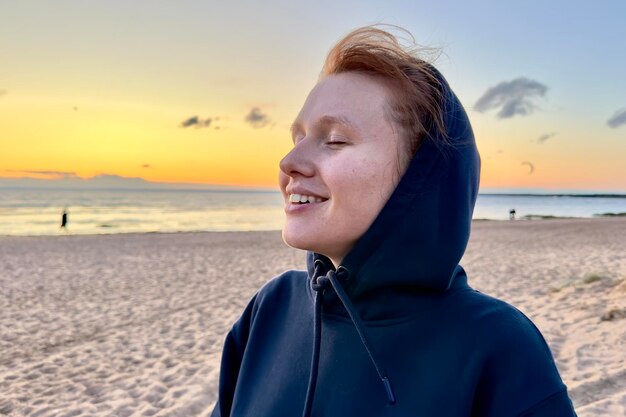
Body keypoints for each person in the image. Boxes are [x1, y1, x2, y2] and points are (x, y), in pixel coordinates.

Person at [211, 26, 577, 417]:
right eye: (297, 137)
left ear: (419, 178)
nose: (288, 163)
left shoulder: (498, 344)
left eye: (334, 139)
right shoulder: (270, 309)